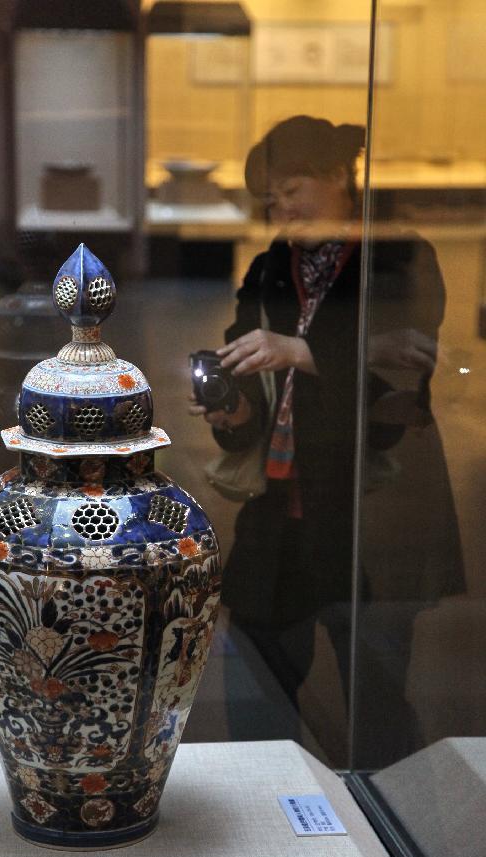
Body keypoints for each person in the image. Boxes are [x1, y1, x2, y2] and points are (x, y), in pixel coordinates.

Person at [189, 115, 465, 766]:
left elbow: (408, 360)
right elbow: (253, 392)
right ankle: (273, 820)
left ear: (339, 177)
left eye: (292, 188)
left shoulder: (399, 254)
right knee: (254, 686)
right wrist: (230, 415)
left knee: (376, 694)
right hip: (282, 507)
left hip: (370, 505)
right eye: (271, 198)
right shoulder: (268, 268)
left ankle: (391, 838)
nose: (280, 208)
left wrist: (299, 350)